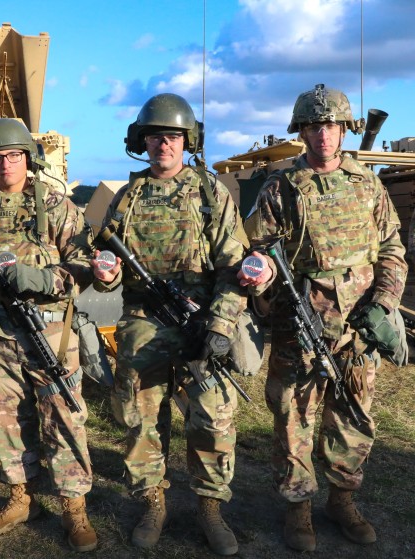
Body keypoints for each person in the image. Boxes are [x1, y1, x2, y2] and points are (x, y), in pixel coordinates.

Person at [240, 84, 407, 552]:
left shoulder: (367, 184)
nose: (323, 136)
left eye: (331, 126)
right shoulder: (281, 187)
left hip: (358, 327)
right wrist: (263, 271)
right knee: (294, 418)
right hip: (301, 327)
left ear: (344, 129)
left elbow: (393, 249)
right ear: (302, 131)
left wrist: (384, 303)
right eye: (314, 127)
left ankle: (342, 500)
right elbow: (256, 247)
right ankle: (298, 508)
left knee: (352, 417)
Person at [92, 93, 249, 555]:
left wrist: (220, 326)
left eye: (174, 136)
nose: (165, 144)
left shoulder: (209, 192)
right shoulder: (128, 196)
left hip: (201, 319)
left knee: (214, 416)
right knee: (141, 416)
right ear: (143, 141)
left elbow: (233, 265)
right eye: (156, 136)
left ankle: (209, 507)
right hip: (144, 318)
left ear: (188, 140)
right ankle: (152, 501)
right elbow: (104, 260)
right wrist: (106, 274)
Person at [0, 118, 97, 552]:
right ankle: (19, 496)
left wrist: (40, 280)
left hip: (50, 336)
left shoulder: (59, 206)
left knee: (64, 418)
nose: (7, 163)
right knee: (4, 419)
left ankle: (73, 506)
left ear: (29, 158)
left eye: (14, 155)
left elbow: (83, 265)